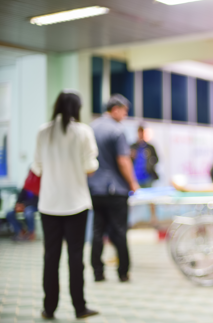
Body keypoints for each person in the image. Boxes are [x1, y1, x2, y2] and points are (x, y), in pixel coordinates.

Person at [31, 90, 99, 319]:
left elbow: (37, 167)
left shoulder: (43, 131)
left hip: (49, 204)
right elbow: (90, 166)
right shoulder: (83, 131)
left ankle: (49, 308)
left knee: (51, 257)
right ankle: (79, 308)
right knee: (75, 258)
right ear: (77, 107)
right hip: (76, 204)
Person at [89, 94, 140, 283]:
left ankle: (97, 273)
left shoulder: (92, 128)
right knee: (119, 231)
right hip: (115, 190)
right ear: (115, 109)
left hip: (95, 189)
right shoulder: (117, 130)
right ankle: (123, 273)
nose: (125, 115)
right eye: (125, 111)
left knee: (97, 231)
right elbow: (123, 160)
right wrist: (133, 183)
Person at [130, 125, 159, 224]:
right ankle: (130, 220)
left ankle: (153, 218)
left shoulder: (150, 147)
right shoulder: (133, 147)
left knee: (151, 199)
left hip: (147, 177)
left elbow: (156, 159)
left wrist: (150, 162)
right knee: (132, 200)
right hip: (135, 177)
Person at [5, 171, 39, 241]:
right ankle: (21, 231)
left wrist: (24, 205)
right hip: (24, 207)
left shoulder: (38, 186)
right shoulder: (26, 186)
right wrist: (17, 205)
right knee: (9, 214)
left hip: (34, 207)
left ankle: (31, 233)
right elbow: (19, 198)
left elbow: (37, 201)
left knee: (28, 212)